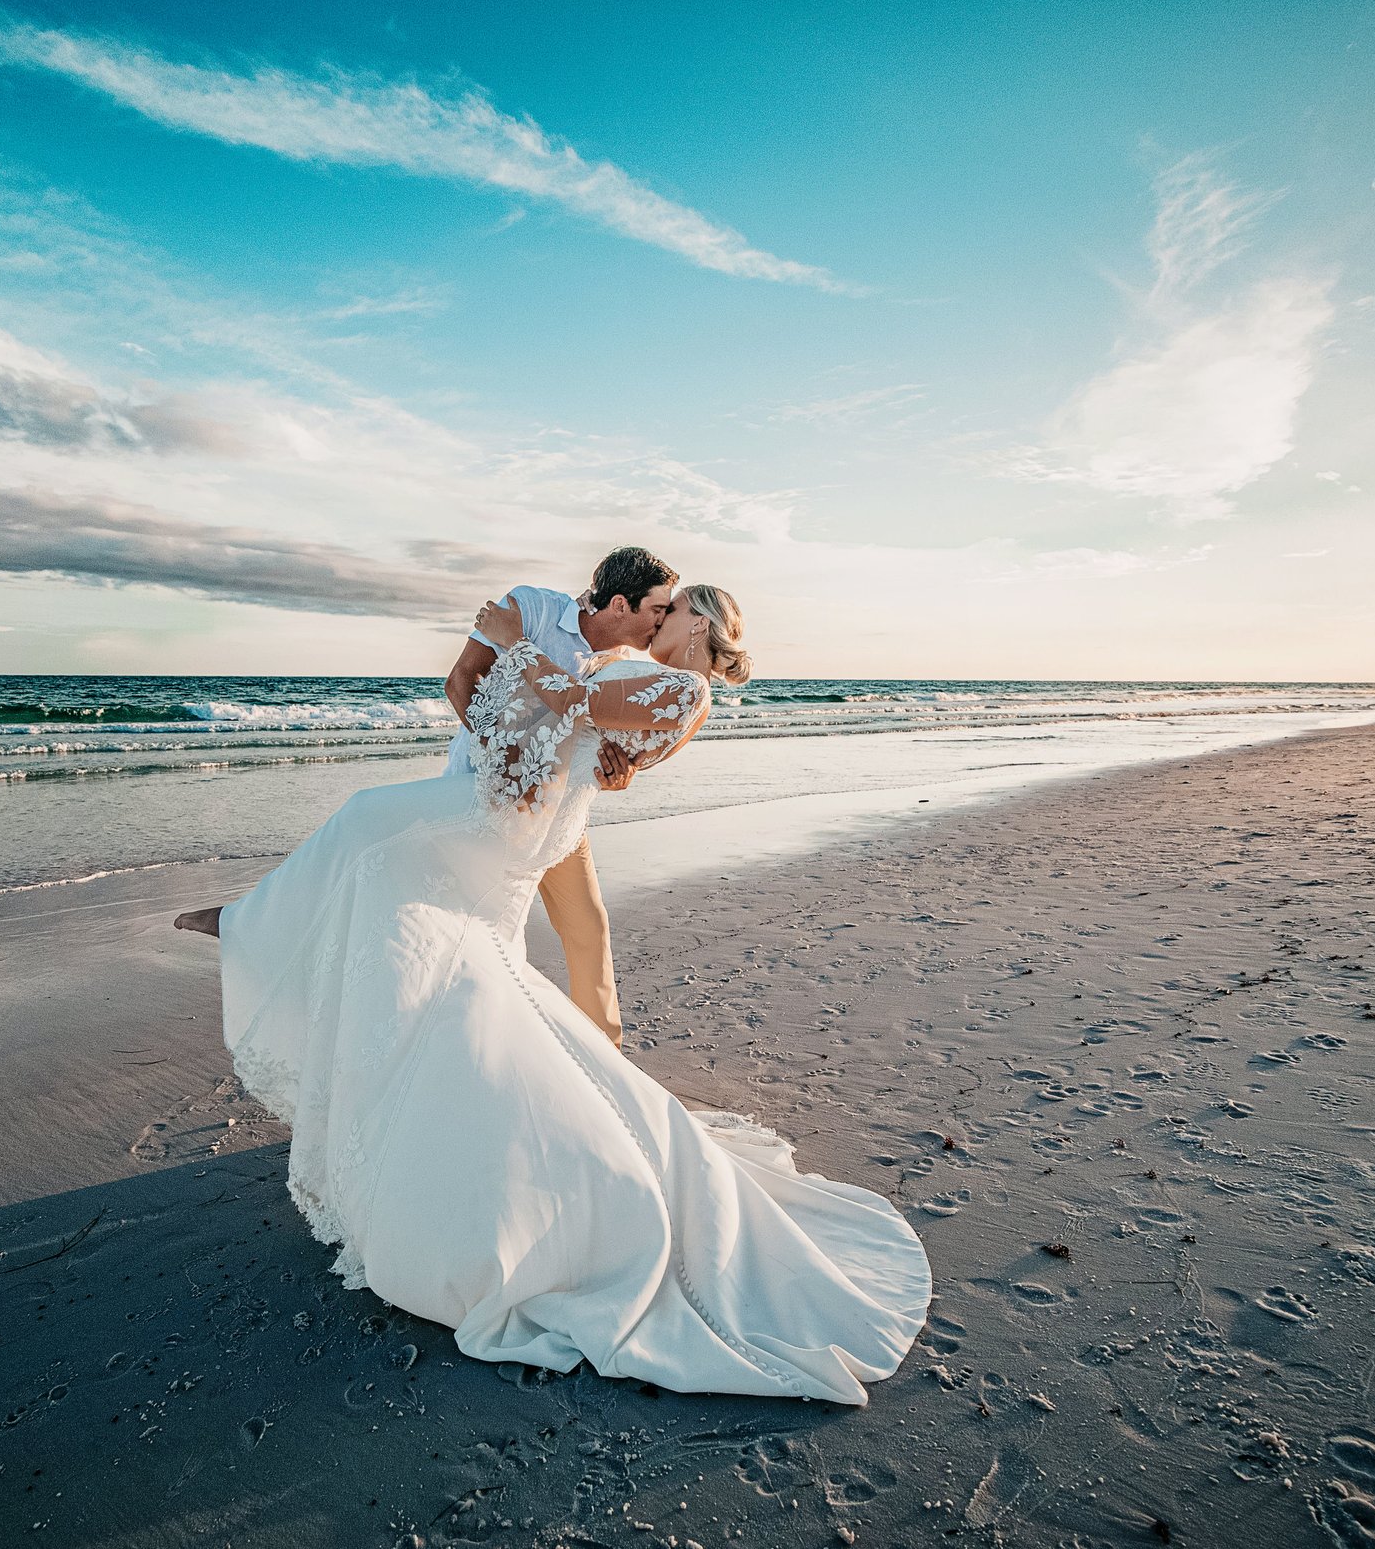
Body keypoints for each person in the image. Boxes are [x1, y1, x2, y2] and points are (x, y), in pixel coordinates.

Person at [176, 586, 931, 1401]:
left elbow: (575, 701)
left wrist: (510, 642)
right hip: (530, 813)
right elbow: (608, 749)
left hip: (522, 826)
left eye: (670, 612)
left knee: (369, 833)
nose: (655, 622)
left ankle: (254, 924)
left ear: (699, 624)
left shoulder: (687, 689)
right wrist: (590, 737)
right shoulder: (660, 685)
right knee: (396, 890)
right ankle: (279, 942)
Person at [440, 547, 678, 1045]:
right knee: (484, 928)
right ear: (619, 605)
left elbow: (602, 744)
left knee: (589, 929)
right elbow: (461, 680)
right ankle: (476, 1043)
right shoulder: (530, 607)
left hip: (563, 813)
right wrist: (505, 765)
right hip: (484, 800)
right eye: (657, 609)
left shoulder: (619, 664)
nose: (663, 621)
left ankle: (606, 1056)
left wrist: (619, 773)